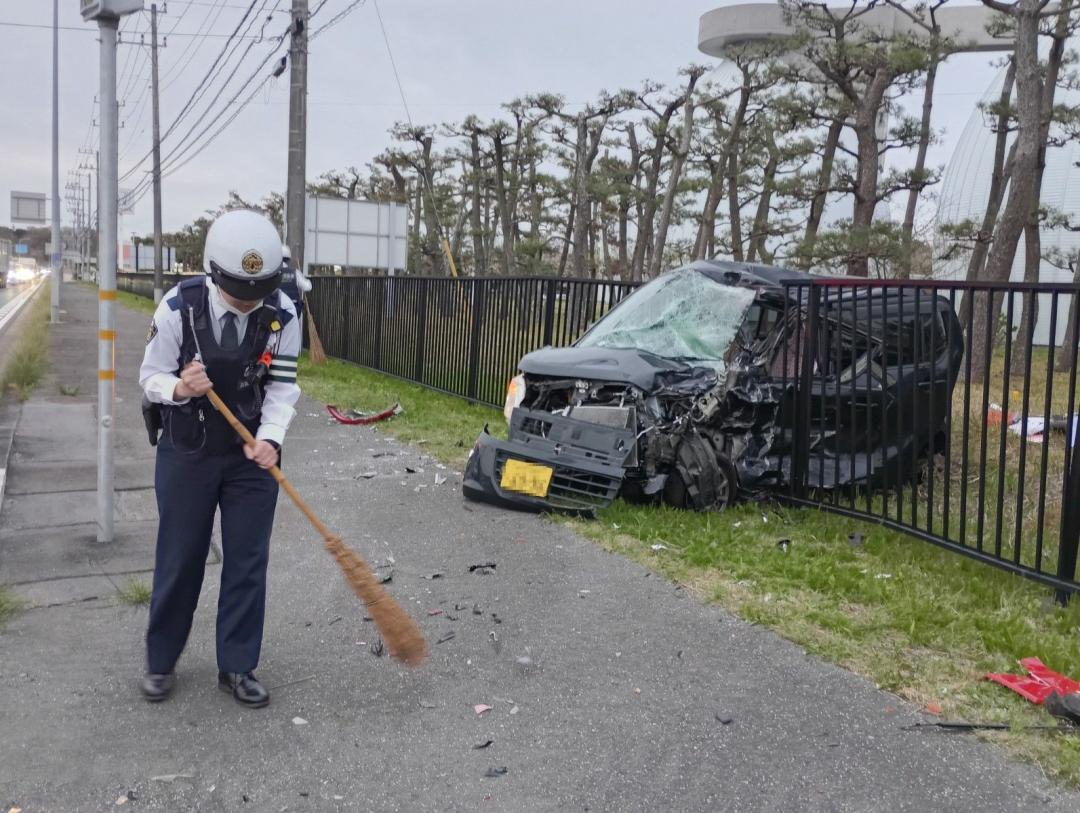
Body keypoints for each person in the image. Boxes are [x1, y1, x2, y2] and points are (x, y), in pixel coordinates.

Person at [138, 209, 301, 708]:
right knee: (181, 557)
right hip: (188, 451)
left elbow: (282, 387)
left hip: (252, 457)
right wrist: (181, 387)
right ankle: (161, 661)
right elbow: (150, 376)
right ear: (214, 273)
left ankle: (237, 666)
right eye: (238, 294)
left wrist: (270, 439)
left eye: (258, 293)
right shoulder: (177, 307)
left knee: (248, 561)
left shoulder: (283, 312)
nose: (249, 303)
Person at [279, 244, 312, 325]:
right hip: (292, 310)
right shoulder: (295, 272)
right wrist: (307, 280)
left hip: (276, 309)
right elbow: (308, 287)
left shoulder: (272, 273)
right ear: (288, 259)